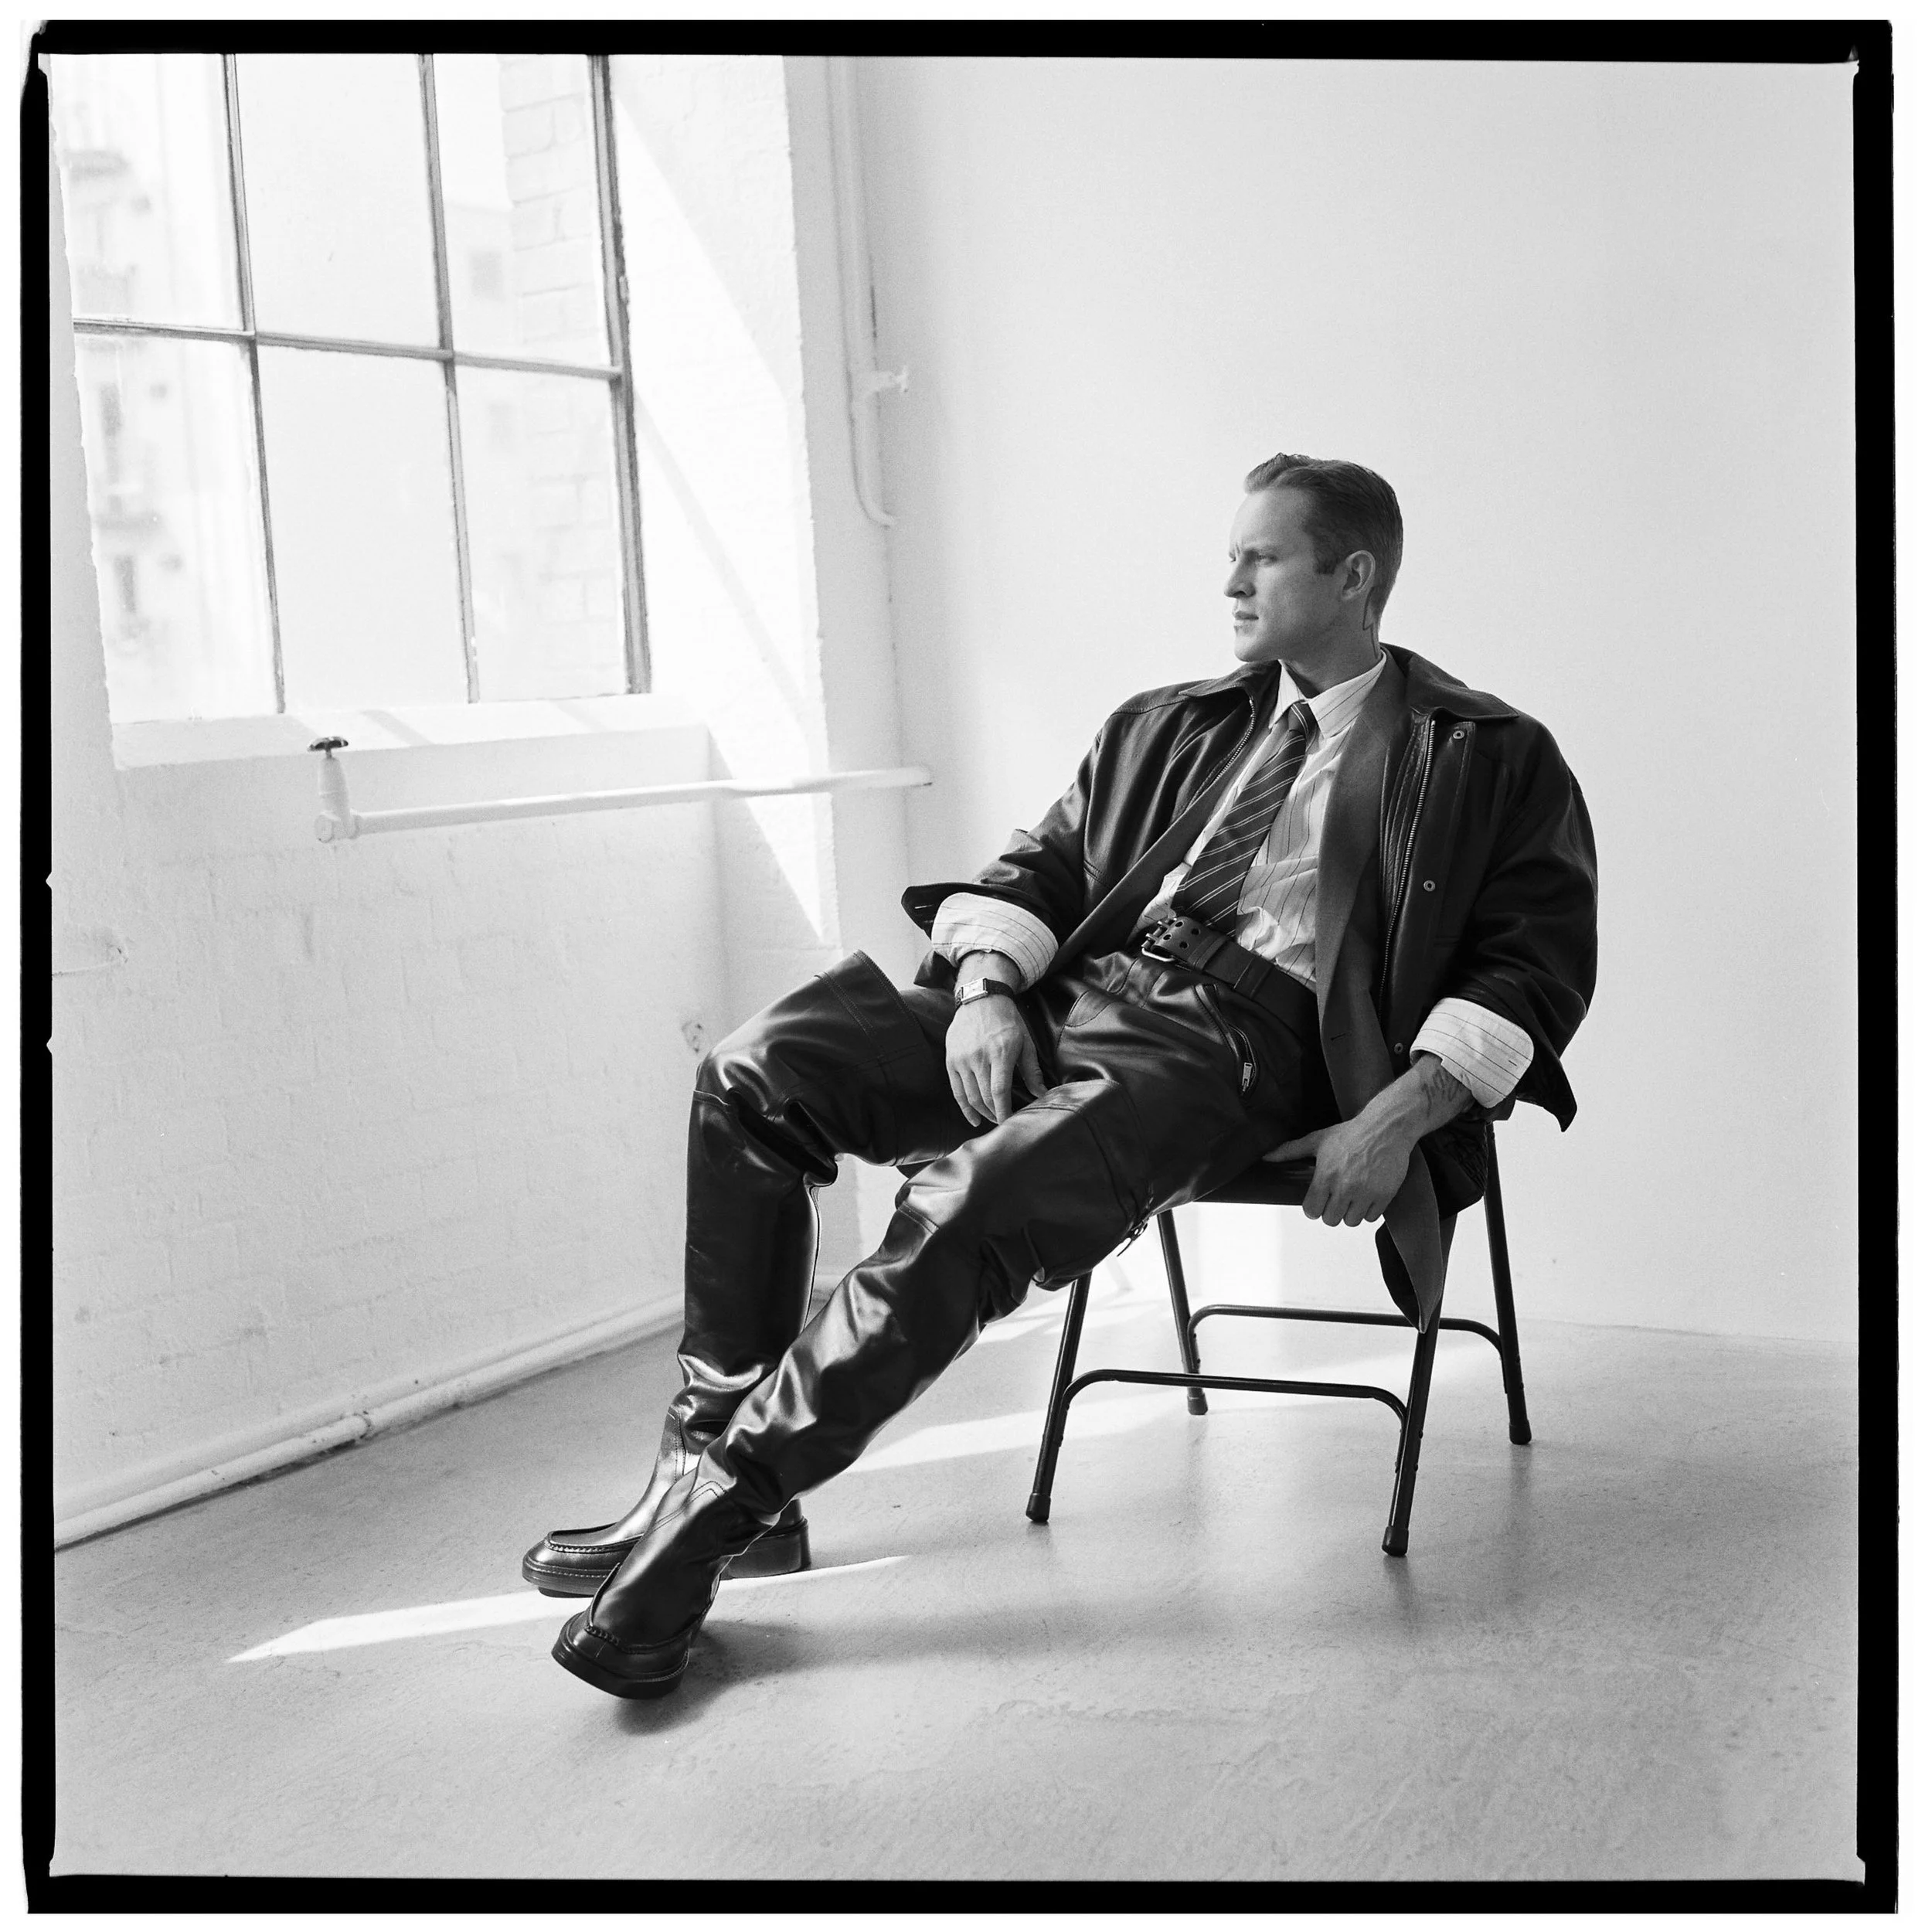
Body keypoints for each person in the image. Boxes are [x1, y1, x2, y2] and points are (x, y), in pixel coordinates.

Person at [529, 453, 1598, 1700]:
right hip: (1069, 993)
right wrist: (984, 992)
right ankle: (702, 1480)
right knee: (756, 1074)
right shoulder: (1171, 721)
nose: (1230, 581)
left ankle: (701, 1527)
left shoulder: (1485, 755)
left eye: (1262, 557)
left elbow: (1534, 973)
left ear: (1354, 576)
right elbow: (1038, 867)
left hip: (1235, 1042)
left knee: (969, 1205)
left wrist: (1399, 1116)